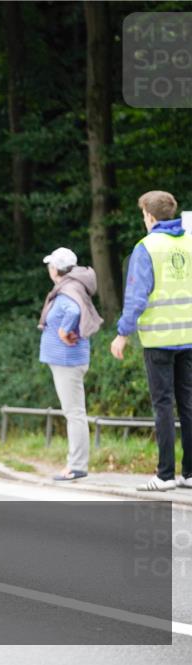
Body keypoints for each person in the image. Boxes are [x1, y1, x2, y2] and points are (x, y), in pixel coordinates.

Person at [110, 191, 192, 491]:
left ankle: (165, 475)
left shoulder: (146, 248)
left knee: (163, 406)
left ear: (150, 216)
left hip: (159, 339)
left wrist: (122, 334)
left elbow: (136, 298)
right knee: (189, 404)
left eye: (143, 214)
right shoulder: (190, 242)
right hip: (189, 338)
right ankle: (190, 473)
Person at [37, 247, 103, 481]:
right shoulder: (72, 287)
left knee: (74, 413)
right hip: (67, 360)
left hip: (68, 360)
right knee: (74, 412)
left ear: (55, 269)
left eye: (50, 266)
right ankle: (76, 464)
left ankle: (76, 466)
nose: (49, 270)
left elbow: (73, 310)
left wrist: (64, 329)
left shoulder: (68, 290)